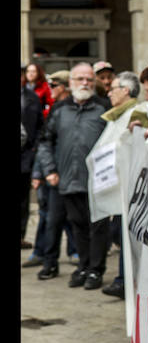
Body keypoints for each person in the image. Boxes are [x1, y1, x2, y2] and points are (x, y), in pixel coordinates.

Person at [35, 62, 111, 289]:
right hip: (67, 178)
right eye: (80, 79)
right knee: (77, 225)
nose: (85, 83)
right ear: (71, 83)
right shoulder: (60, 110)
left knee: (98, 227)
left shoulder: (104, 108)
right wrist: (50, 170)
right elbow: (45, 142)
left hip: (98, 180)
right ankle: (84, 267)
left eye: (89, 79)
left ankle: (96, 271)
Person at [96, 71, 148, 299]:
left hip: (130, 186)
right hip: (118, 183)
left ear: (125, 91)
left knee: (124, 233)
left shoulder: (136, 113)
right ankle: (123, 279)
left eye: (114, 88)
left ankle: (125, 280)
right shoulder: (116, 114)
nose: (109, 92)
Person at [30, 70, 80, 279]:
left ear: (64, 87)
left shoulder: (88, 107)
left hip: (77, 177)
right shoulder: (56, 109)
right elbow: (45, 142)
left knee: (76, 220)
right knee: (51, 220)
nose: (50, 90)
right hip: (56, 176)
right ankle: (49, 260)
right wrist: (44, 171)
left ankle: (80, 258)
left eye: (54, 86)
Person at [21, 66, 44, 251]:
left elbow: (39, 126)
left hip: (26, 156)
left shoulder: (32, 97)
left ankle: (21, 236)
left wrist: (35, 147)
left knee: (23, 199)